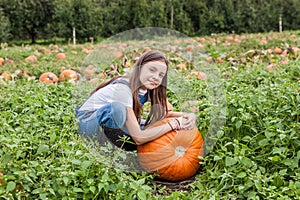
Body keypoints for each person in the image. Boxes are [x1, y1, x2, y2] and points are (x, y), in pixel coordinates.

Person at [75, 50, 196, 147]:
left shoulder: (147, 89)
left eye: (161, 75)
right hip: (87, 123)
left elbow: (163, 114)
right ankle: (106, 146)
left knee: (154, 126)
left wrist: (185, 115)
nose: (156, 77)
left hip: (113, 124)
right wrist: (175, 124)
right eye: (152, 70)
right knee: (118, 109)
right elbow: (139, 137)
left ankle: (120, 140)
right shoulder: (123, 89)